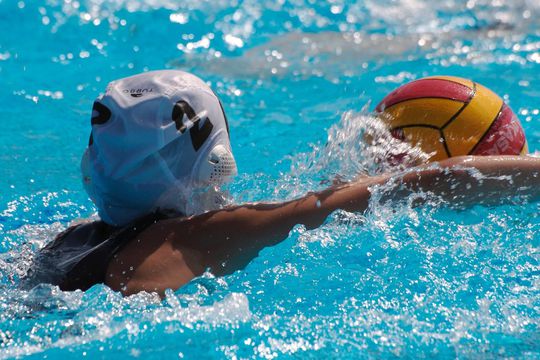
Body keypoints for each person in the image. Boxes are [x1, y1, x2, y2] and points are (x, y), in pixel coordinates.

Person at [24, 70, 540, 297]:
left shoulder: (64, 241)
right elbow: (425, 183)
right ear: (215, 164)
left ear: (92, 167)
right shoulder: (197, 237)